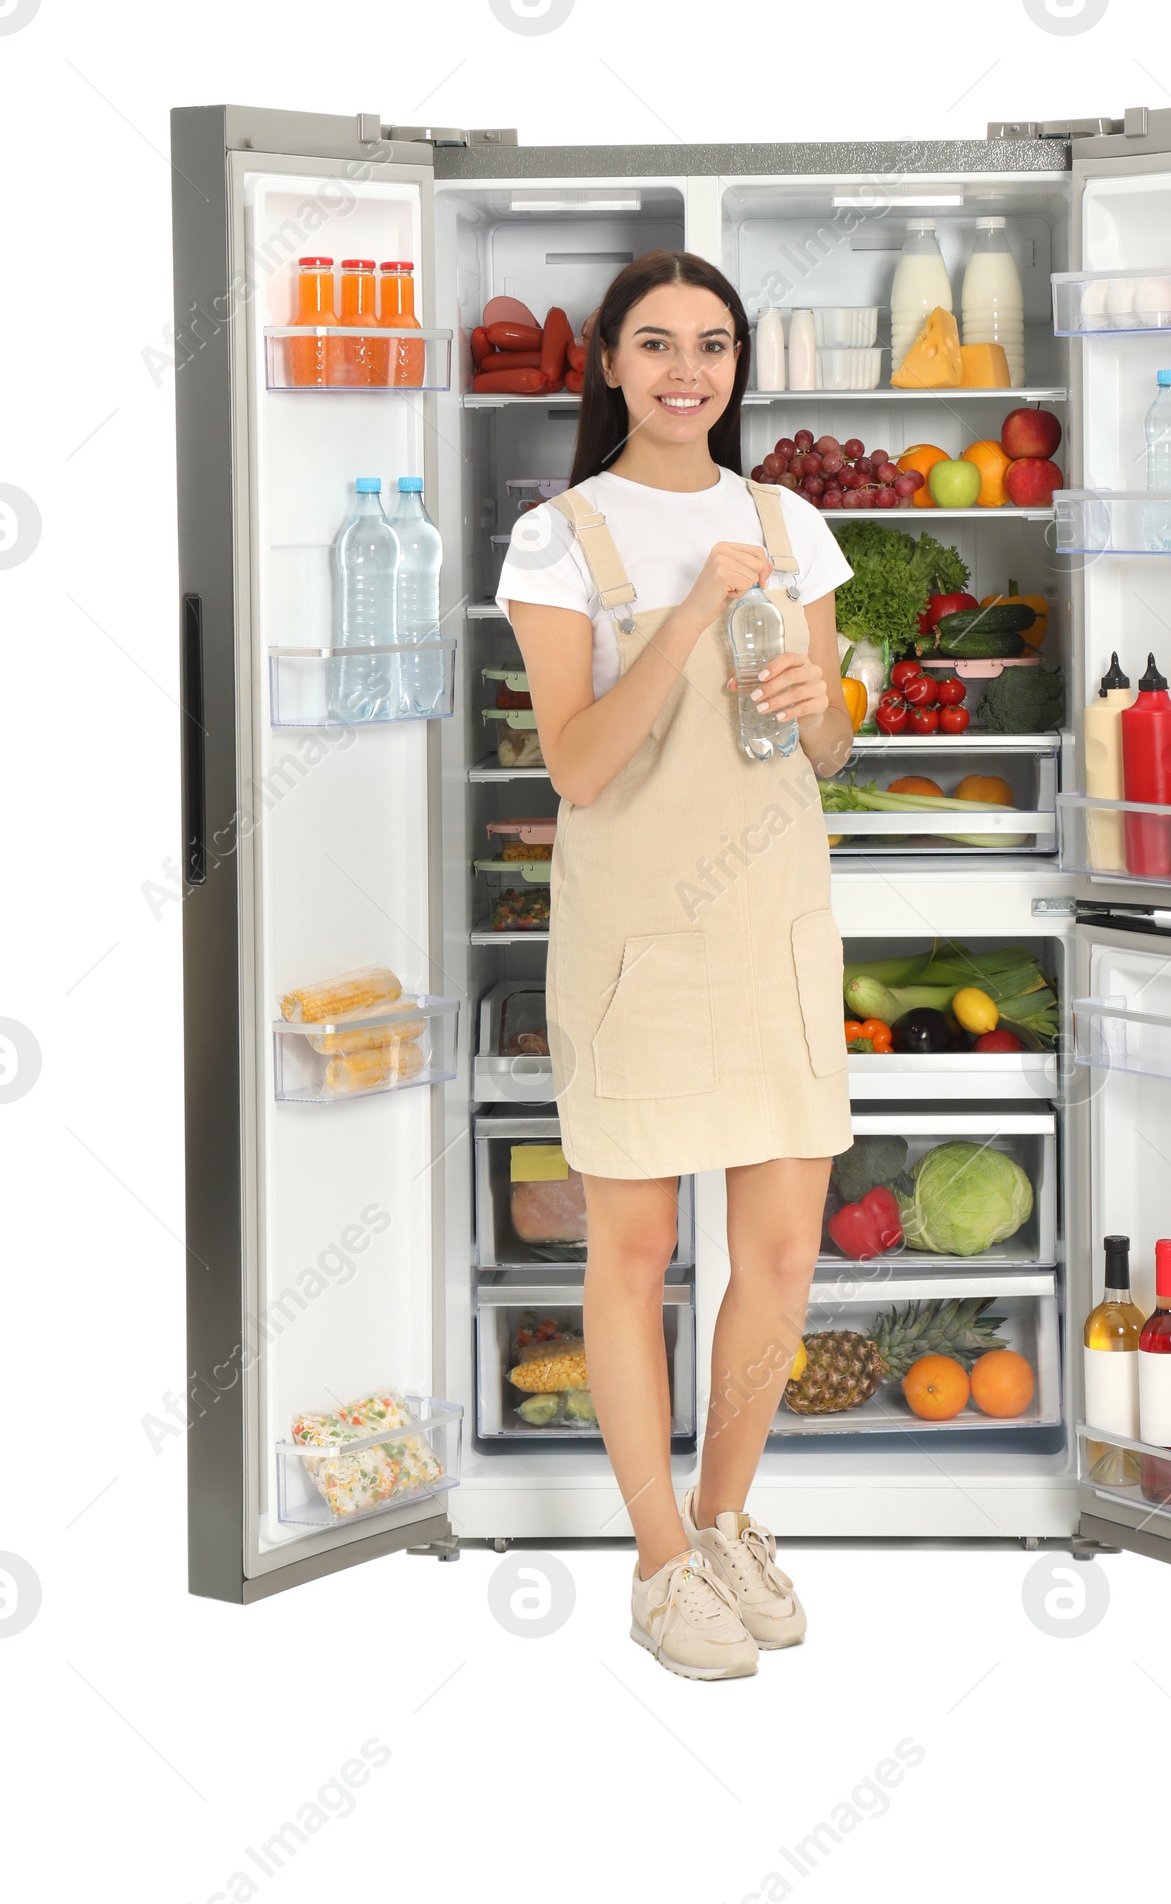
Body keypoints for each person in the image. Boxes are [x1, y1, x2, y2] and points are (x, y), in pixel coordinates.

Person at [496, 250, 857, 1680]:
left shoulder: (789, 522)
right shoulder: (559, 538)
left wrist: (821, 700)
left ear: (735, 367)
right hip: (636, 942)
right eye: (655, 344)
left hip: (771, 925)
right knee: (634, 1253)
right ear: (606, 362)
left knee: (777, 1260)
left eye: (712, 345)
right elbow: (580, 768)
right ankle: (653, 1566)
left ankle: (721, 1522)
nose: (685, 370)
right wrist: (696, 615)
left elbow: (826, 753)